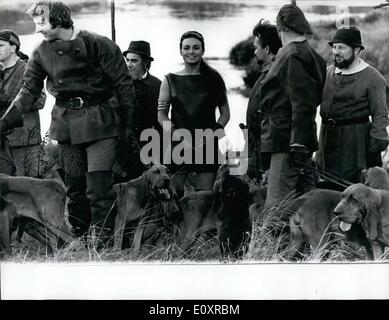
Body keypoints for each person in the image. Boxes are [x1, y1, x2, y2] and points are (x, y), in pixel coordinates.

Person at [0, 1, 137, 244]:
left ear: (60, 20)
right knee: (75, 188)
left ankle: (105, 243)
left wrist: (126, 127)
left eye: (41, 22)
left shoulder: (99, 44)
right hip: (66, 125)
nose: (37, 29)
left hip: (101, 123)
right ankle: (80, 238)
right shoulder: (40, 52)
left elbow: (124, 86)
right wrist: (3, 123)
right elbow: (28, 92)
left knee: (99, 188)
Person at [260, 4, 327, 208]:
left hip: (285, 141)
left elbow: (303, 103)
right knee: (301, 202)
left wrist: (297, 142)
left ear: (282, 28)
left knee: (277, 206)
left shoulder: (291, 55)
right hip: (296, 139)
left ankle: (272, 241)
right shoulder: (314, 55)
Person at [158, 31, 230, 199]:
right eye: (187, 48)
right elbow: (161, 115)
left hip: (206, 144)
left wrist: (211, 135)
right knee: (175, 196)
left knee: (205, 198)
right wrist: (177, 134)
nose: (191, 51)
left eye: (196, 48)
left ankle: (203, 226)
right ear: (181, 51)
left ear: (202, 51)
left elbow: (225, 114)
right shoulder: (169, 80)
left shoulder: (214, 79)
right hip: (178, 144)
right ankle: (176, 226)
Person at [316, 26, 389, 185]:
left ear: (356, 50)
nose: (336, 52)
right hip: (327, 139)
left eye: (341, 47)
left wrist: (373, 151)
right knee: (325, 185)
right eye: (334, 47)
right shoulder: (328, 73)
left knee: (351, 188)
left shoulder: (372, 77)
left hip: (354, 143)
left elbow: (380, 115)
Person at [0, 30, 46, 178]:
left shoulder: (28, 70)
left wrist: (10, 99)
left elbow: (40, 100)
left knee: (29, 186)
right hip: (2, 143)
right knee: (5, 191)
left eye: (0, 45)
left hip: (24, 141)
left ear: (13, 48)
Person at [116, 40, 162, 180]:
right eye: (127, 60)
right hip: (120, 145)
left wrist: (158, 153)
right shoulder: (118, 83)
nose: (129, 64)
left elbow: (160, 122)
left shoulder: (157, 85)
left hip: (146, 144)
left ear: (145, 63)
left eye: (134, 61)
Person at [246, 20, 282, 183]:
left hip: (267, 153)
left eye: (256, 47)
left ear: (267, 49)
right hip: (257, 150)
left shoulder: (274, 77)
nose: (254, 52)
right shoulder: (266, 75)